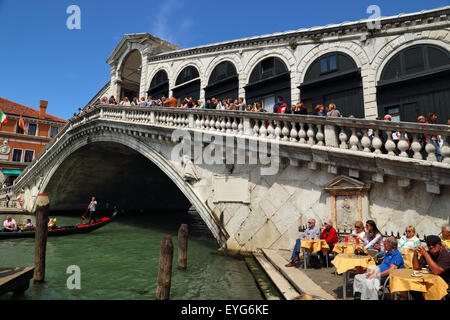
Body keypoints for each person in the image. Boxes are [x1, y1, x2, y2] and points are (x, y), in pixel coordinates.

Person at [411, 235, 450, 299]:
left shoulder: (446, 255)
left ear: (440, 245)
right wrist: (415, 254)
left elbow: (437, 271)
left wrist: (426, 254)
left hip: (443, 285)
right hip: (427, 283)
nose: (431, 247)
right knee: (413, 289)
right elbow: (416, 267)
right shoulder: (427, 254)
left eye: (434, 244)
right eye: (429, 245)